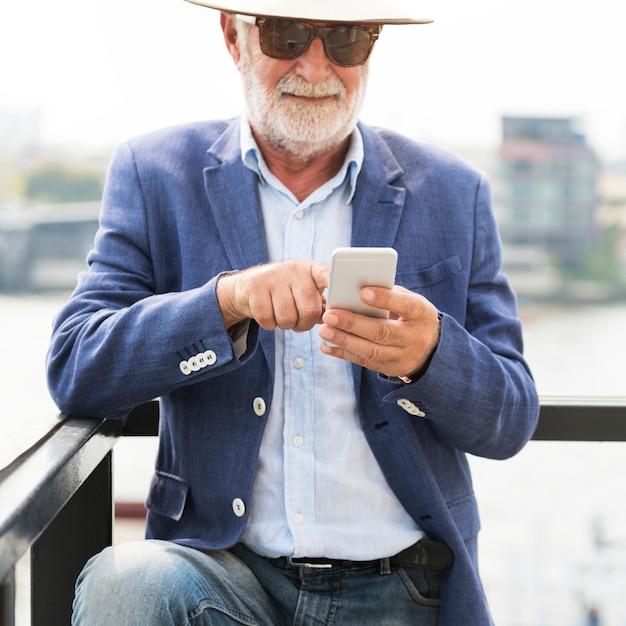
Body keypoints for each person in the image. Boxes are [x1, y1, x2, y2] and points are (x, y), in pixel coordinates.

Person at [46, 0, 540, 624]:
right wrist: (227, 302)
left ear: (373, 44)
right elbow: (76, 366)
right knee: (125, 583)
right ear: (234, 36)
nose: (315, 65)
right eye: (285, 34)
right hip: (225, 579)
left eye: (344, 40)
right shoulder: (154, 174)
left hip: (403, 591)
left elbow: (512, 418)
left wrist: (431, 355)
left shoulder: (453, 190)